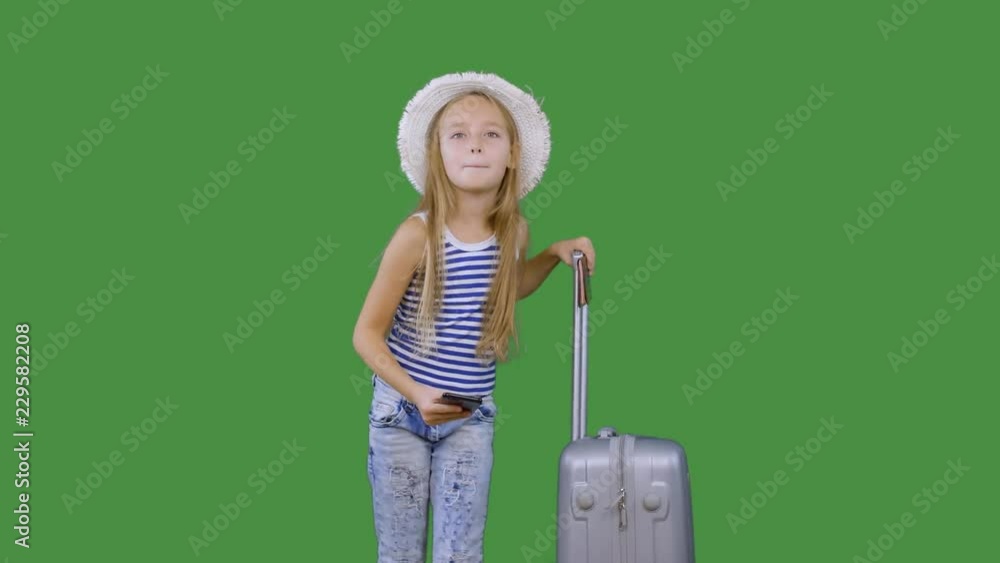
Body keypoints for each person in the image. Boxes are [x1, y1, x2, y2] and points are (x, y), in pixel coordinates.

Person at [352, 70, 597, 563]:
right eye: (459, 135)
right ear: (437, 154)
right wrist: (417, 394)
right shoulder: (417, 236)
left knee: (461, 554)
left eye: (491, 134)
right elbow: (366, 335)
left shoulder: (513, 232)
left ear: (512, 155)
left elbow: (506, 288)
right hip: (402, 415)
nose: (476, 145)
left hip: (469, 417)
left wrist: (553, 253)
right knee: (400, 554)